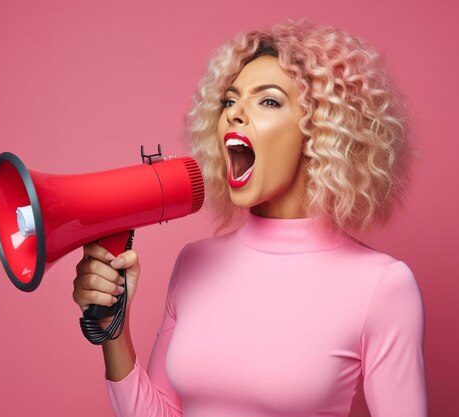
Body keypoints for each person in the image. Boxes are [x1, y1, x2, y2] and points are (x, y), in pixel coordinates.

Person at [72, 20, 427, 417]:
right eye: (229, 101)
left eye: (268, 101)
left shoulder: (382, 285)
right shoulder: (195, 262)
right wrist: (113, 330)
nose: (235, 115)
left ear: (320, 131)